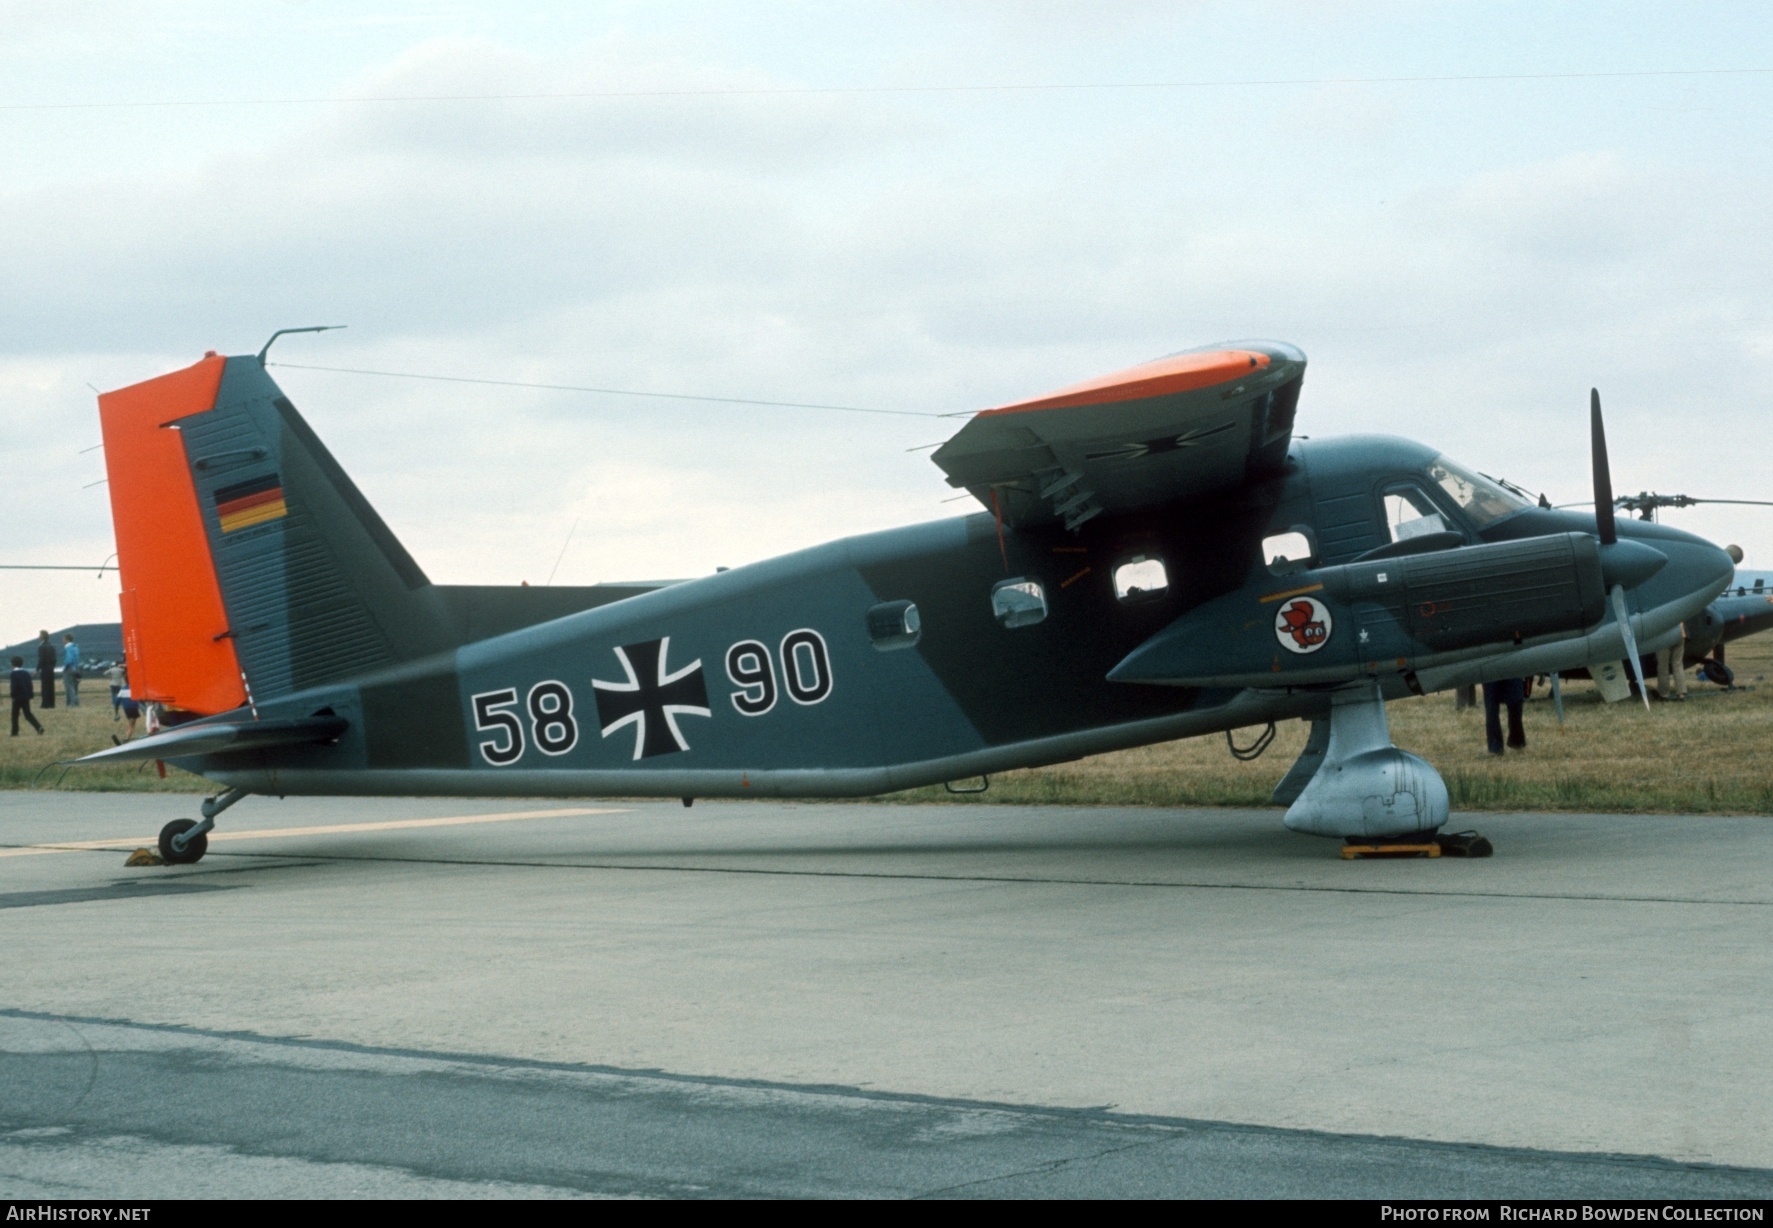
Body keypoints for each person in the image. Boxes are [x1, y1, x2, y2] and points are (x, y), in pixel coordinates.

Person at [1482, 677, 1527, 755]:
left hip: (1512, 669)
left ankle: (1516, 740)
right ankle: (1495, 747)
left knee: (1516, 701)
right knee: (1491, 707)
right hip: (1490, 671)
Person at [10, 656, 43, 736]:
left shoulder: (13, 674)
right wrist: (30, 694)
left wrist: (12, 694)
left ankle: (15, 732)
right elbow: (30, 685)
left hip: (17, 697)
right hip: (26, 697)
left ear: (13, 665)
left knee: (15, 715)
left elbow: (14, 686)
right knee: (28, 714)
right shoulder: (26, 673)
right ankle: (38, 727)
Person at [1657, 622, 1689, 701]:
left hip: (1664, 636)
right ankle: (1681, 693)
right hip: (1680, 633)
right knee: (1678, 664)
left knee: (1663, 665)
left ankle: (1663, 694)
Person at [35, 631, 55, 709]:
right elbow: (54, 659)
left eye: (39, 634)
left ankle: (45, 704)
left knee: (45, 687)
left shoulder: (41, 646)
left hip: (45, 668)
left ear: (42, 636)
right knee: (51, 686)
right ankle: (51, 703)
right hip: (51, 668)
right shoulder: (52, 645)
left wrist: (37, 669)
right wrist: (52, 666)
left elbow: (41, 659)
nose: (38, 636)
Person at [61, 634, 81, 707]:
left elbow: (68, 658)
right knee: (74, 686)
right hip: (75, 668)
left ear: (67, 639)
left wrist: (65, 666)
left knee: (69, 687)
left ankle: (71, 703)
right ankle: (76, 702)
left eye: (64, 639)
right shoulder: (75, 647)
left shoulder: (68, 648)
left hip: (69, 668)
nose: (63, 641)